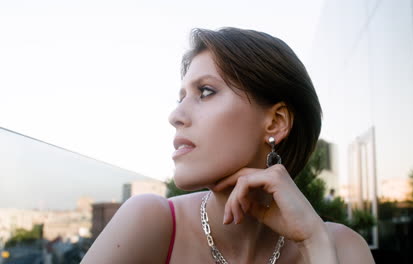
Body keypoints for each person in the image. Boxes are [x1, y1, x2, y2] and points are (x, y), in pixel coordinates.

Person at [81, 27, 375, 263]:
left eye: (205, 92)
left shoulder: (343, 248)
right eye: (180, 97)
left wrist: (314, 244)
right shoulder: (151, 222)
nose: (175, 116)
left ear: (275, 123)